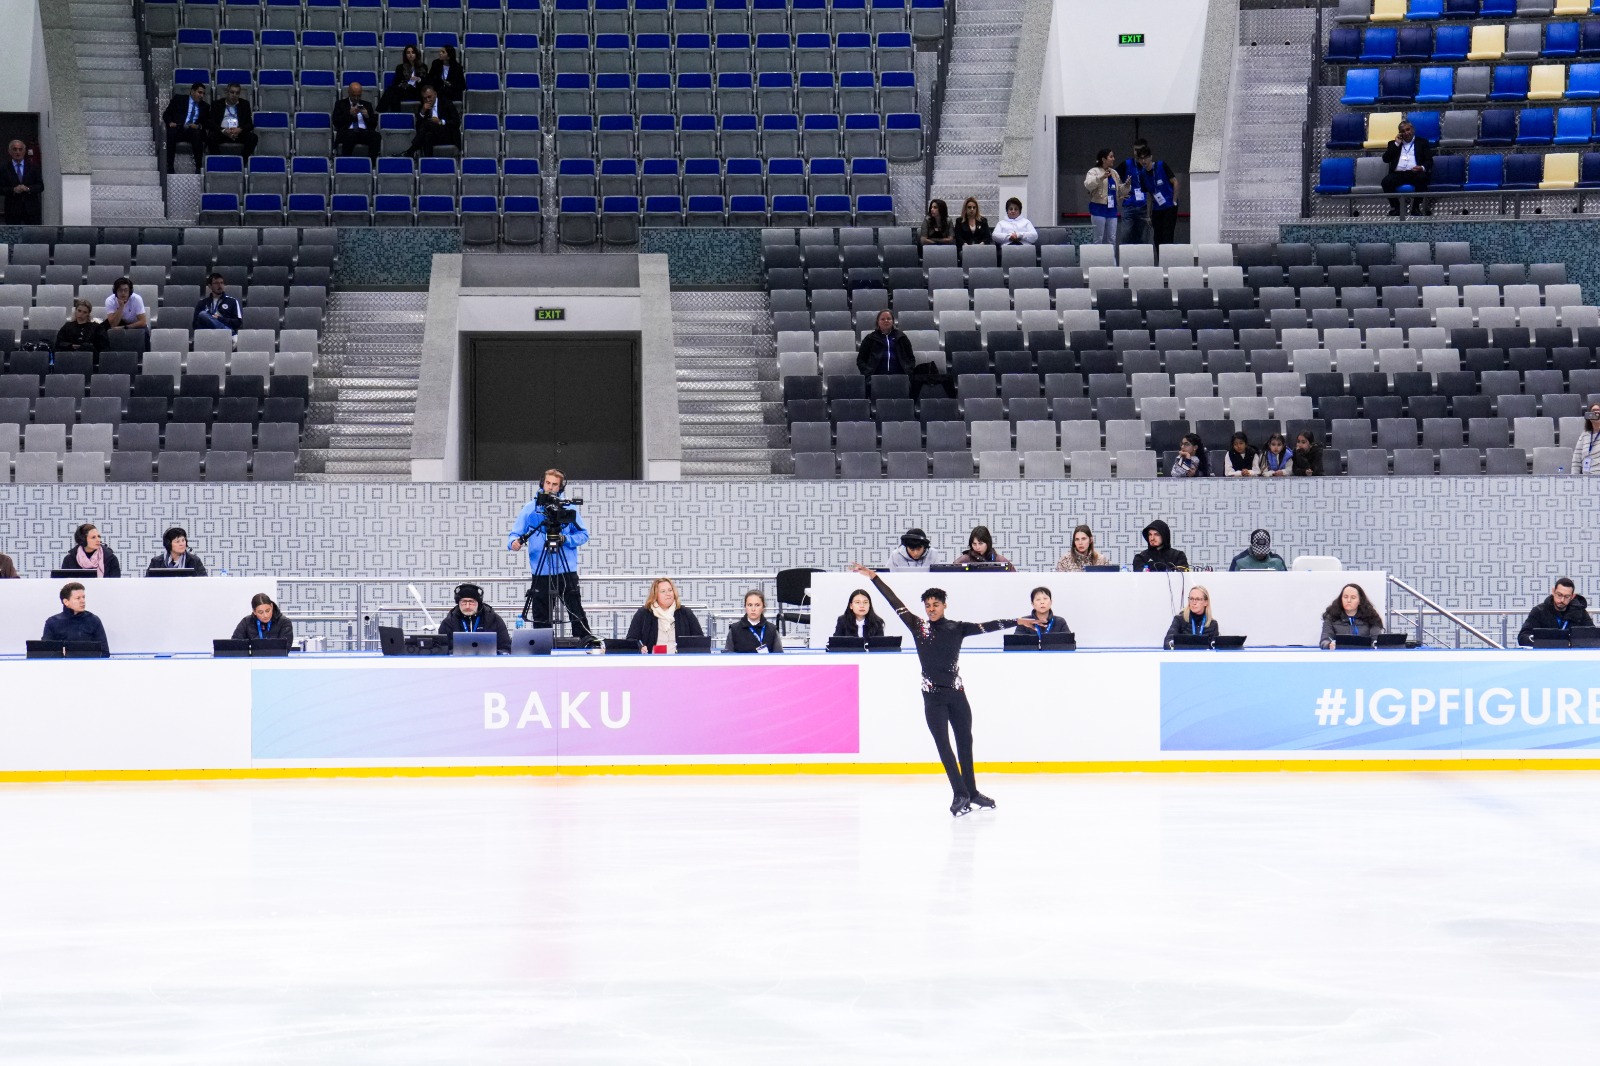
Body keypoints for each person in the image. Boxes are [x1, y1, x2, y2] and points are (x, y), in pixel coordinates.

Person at [850, 564, 1028, 816]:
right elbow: (894, 602)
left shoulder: (957, 628)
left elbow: (986, 626)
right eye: (928, 605)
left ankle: (972, 792)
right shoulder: (918, 626)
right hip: (932, 697)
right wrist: (875, 578)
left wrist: (1016, 621)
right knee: (944, 745)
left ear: (944, 605)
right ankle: (960, 793)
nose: (931, 609)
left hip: (957, 695)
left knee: (965, 742)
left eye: (936, 604)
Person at [507, 468, 595, 644]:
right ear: (542, 483)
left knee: (574, 607)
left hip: (566, 569)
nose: (550, 487)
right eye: (548, 483)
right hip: (541, 570)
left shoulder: (569, 508)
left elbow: (583, 535)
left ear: (560, 487)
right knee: (541, 612)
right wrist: (514, 543)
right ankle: (541, 644)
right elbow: (514, 535)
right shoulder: (530, 508)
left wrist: (565, 539)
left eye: (554, 484)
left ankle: (585, 640)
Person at [624, 577, 704, 652]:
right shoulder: (643, 613)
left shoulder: (685, 613)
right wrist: (640, 647)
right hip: (652, 661)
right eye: (663, 591)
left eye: (670, 590)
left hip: (680, 661)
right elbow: (631, 640)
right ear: (655, 595)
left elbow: (700, 640)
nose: (668, 594)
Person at [1517, 577, 1595, 646]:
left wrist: (1573, 644)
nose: (1562, 600)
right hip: (1546, 656)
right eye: (1559, 595)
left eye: (1566, 596)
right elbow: (1523, 637)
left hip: (1572, 657)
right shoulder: (1539, 611)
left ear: (1572, 596)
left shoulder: (1580, 612)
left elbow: (1593, 637)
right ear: (1553, 591)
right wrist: (1551, 643)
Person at [438, 582, 512, 653]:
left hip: (487, 663)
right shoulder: (448, 622)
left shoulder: (494, 619)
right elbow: (441, 650)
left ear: (478, 602)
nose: (467, 606)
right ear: (458, 603)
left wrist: (493, 654)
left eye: (471, 602)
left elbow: (506, 648)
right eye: (464, 602)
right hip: (458, 663)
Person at [1382, 119, 1433, 218]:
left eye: (1408, 129)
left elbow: (1429, 161)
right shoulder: (1393, 144)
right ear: (1400, 133)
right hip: (1398, 173)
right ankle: (1396, 208)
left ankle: (1416, 208)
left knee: (1423, 178)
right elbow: (1385, 159)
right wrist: (1397, 144)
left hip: (1415, 172)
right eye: (1403, 131)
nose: (1406, 133)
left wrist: (1421, 167)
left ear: (1413, 129)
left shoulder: (1422, 142)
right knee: (1385, 182)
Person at [42, 582, 109, 651]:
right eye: (78, 598)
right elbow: (46, 651)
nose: (83, 601)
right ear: (66, 602)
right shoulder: (52, 622)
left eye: (83, 597)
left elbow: (104, 651)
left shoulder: (94, 620)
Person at [1319, 583, 1386, 649]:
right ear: (1341, 599)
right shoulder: (1331, 617)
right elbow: (1324, 640)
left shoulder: (1371, 617)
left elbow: (1377, 641)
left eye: (1353, 598)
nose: (1348, 600)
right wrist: (1329, 645)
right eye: (1345, 597)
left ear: (1360, 601)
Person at [162, 81, 209, 174]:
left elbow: (207, 123)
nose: (202, 95)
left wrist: (198, 126)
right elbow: (166, 114)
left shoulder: (205, 106)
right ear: (192, 91)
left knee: (197, 134)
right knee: (170, 133)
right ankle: (169, 166)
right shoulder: (179, 99)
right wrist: (170, 122)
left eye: (203, 93)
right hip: (178, 127)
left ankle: (199, 167)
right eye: (199, 92)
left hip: (193, 130)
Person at [1140, 146, 1181, 247]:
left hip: (1169, 206)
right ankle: (1160, 261)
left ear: (1151, 157)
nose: (1143, 161)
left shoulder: (1161, 165)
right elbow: (1149, 195)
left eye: (1145, 158)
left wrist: (1174, 201)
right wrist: (1148, 214)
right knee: (1157, 238)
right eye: (1141, 158)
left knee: (1167, 236)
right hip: (1157, 208)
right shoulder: (1142, 174)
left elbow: (1175, 182)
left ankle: (1167, 261)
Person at [207, 82, 258, 162]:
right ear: (227, 92)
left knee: (253, 137)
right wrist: (223, 130)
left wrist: (240, 129)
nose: (234, 95)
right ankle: (218, 161)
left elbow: (250, 124)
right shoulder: (217, 104)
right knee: (211, 137)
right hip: (222, 133)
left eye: (237, 93)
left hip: (238, 134)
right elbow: (211, 123)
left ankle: (241, 161)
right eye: (232, 92)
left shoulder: (245, 104)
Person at [855, 309, 914, 378]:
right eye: (882, 319)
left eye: (889, 319)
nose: (886, 321)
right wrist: (868, 373)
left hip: (900, 376)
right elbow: (860, 360)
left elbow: (911, 358)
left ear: (893, 321)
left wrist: (908, 371)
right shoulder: (870, 338)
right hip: (875, 377)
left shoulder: (901, 337)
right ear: (878, 322)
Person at [333, 82, 382, 161]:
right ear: (349, 93)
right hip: (348, 132)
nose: (356, 98)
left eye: (358, 95)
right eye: (353, 95)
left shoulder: (367, 105)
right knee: (350, 135)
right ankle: (346, 162)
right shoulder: (340, 104)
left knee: (376, 136)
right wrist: (349, 114)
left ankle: (372, 164)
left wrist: (367, 116)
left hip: (363, 132)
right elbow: (336, 122)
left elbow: (373, 125)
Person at [408, 85, 460, 158]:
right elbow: (418, 128)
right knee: (427, 135)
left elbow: (456, 122)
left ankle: (412, 149)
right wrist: (422, 112)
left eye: (429, 97)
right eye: (424, 98)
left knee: (427, 124)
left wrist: (440, 122)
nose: (427, 100)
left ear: (435, 94)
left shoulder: (447, 103)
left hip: (448, 135)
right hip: (435, 137)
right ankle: (428, 161)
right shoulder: (423, 107)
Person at [1084, 149, 1120, 246]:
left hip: (1112, 209)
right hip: (1098, 208)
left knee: (1112, 238)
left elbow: (1119, 189)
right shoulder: (1093, 171)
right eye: (1111, 156)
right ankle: (1098, 260)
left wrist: (1127, 186)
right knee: (1098, 238)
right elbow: (1088, 185)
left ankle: (1112, 261)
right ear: (1104, 159)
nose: (1113, 159)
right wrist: (1101, 177)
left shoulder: (1114, 173)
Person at [379, 43, 430, 111]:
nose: (410, 55)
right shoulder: (400, 67)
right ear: (405, 55)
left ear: (416, 54)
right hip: (405, 90)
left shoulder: (423, 67)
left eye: (413, 52)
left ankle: (380, 111)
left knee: (391, 91)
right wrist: (403, 83)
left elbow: (426, 82)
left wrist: (419, 79)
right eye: (408, 53)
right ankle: (396, 116)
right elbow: (396, 82)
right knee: (393, 93)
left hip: (417, 91)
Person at [4, 139, 43, 225]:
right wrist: (13, 190)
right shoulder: (4, 168)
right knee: (13, 236)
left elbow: (40, 186)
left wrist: (28, 188)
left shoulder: (33, 167)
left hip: (31, 209)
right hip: (12, 209)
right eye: (15, 149)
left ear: (24, 151)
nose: (18, 152)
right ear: (9, 152)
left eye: (20, 149)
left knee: (33, 236)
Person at [1571, 403, 1600, 475]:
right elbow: (1576, 461)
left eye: (1598, 411)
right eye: (1593, 411)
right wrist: (1575, 479)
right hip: (1586, 479)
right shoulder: (1584, 436)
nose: (1596, 413)